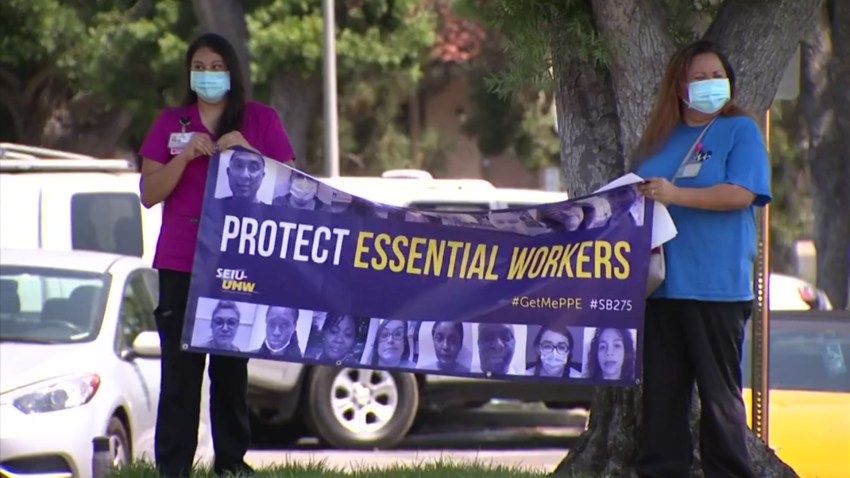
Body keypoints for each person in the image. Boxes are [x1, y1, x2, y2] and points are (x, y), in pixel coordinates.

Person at [138, 32, 295, 478]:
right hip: (180, 264)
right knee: (181, 377)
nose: (208, 75)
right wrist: (184, 157)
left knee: (230, 372)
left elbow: (290, 187)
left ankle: (231, 463)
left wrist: (247, 151)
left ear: (233, 71)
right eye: (199, 67)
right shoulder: (172, 122)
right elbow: (150, 193)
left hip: (238, 266)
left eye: (216, 66)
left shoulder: (261, 120)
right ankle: (173, 468)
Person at [631, 40, 770, 478]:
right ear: (679, 86)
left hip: (716, 287)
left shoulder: (740, 131)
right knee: (662, 398)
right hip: (661, 287)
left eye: (717, 76)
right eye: (699, 77)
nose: (710, 84)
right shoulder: (661, 139)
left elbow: (741, 194)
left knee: (719, 398)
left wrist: (676, 195)